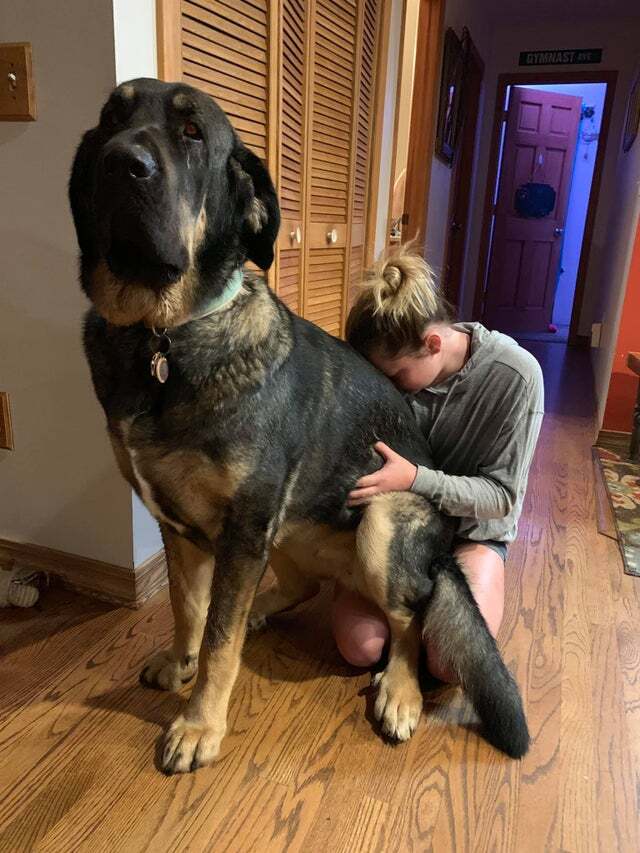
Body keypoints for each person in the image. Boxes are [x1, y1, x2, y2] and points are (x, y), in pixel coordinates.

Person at [332, 249, 544, 681]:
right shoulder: (399, 370)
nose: (388, 388)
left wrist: (415, 480)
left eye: (395, 375)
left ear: (433, 344)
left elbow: (501, 498)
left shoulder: (515, 375)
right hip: (394, 527)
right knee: (361, 648)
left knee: (448, 662)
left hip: (471, 534)